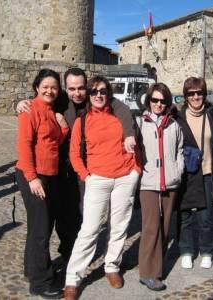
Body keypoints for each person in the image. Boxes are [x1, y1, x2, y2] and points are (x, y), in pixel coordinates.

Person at [16, 67, 136, 264]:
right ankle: (68, 252)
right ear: (65, 88)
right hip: (61, 167)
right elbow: (39, 101)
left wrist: (129, 133)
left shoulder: (94, 96)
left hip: (88, 167)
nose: (77, 93)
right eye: (71, 89)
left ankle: (83, 250)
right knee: (63, 213)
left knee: (83, 211)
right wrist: (21, 104)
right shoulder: (60, 99)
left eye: (81, 88)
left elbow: (120, 107)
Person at [64, 76, 140, 300]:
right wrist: (87, 176)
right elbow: (74, 154)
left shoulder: (121, 114)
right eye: (94, 92)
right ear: (88, 95)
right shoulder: (83, 120)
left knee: (119, 226)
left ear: (109, 94)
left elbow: (137, 144)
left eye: (103, 91)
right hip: (97, 179)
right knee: (89, 230)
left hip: (125, 178)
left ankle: (112, 266)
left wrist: (136, 170)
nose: (99, 95)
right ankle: (72, 278)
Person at [16, 69, 69, 299]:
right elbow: (24, 146)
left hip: (49, 175)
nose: (50, 90)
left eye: (54, 87)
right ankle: (41, 282)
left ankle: (32, 269)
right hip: (34, 175)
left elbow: (54, 142)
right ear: (37, 87)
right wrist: (32, 177)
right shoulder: (30, 110)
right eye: (45, 86)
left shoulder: (51, 111)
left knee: (40, 226)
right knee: (41, 230)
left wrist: (63, 126)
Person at [136, 83, 184, 291]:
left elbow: (179, 150)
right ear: (148, 101)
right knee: (151, 227)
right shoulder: (140, 123)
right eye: (154, 100)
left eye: (162, 101)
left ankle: (157, 266)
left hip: (170, 182)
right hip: (148, 183)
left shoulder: (173, 124)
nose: (158, 104)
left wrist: (177, 170)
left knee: (165, 228)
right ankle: (148, 273)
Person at [175, 77, 213, 269]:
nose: (195, 97)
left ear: (204, 94)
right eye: (191, 93)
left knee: (206, 217)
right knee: (185, 216)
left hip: (207, 172)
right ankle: (186, 250)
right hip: (186, 174)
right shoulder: (178, 116)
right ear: (185, 96)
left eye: (199, 93)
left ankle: (206, 251)